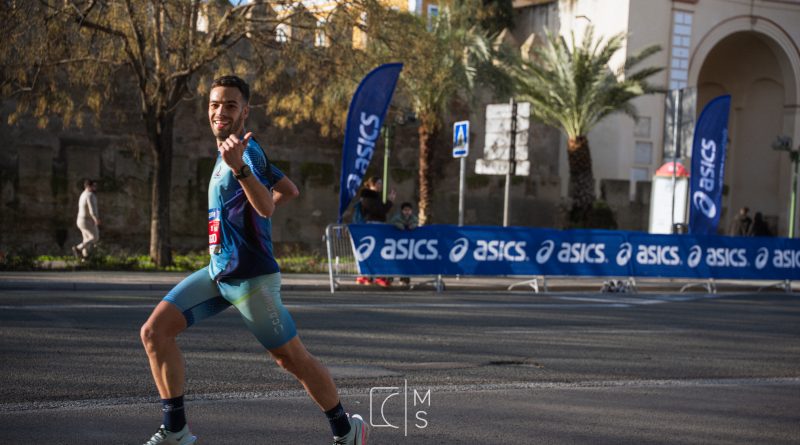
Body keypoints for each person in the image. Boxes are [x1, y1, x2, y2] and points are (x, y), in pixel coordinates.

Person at [139, 75, 367, 445]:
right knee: (154, 332)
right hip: (218, 272)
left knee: (291, 359)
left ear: (245, 111)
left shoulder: (246, 152)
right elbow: (288, 190)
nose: (220, 112)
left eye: (230, 105)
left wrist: (242, 173)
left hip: (250, 279)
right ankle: (175, 430)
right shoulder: (228, 151)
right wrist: (248, 215)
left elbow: (265, 208)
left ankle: (347, 430)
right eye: (214, 104)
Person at [355, 176, 395, 287]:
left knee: (377, 251)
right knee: (371, 251)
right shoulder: (367, 196)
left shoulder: (376, 197)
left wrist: (389, 201)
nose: (380, 185)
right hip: (371, 226)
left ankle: (375, 275)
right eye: (378, 183)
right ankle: (367, 275)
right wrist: (389, 202)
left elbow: (382, 211)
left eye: (381, 183)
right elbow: (379, 210)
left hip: (378, 225)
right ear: (371, 184)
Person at [390, 202, 418, 286]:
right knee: (394, 261)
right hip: (396, 243)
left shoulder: (413, 218)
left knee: (406, 262)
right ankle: (389, 278)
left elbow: (416, 223)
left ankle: (405, 279)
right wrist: (401, 226)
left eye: (409, 210)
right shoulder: (397, 217)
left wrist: (412, 226)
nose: (407, 212)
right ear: (402, 211)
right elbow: (393, 222)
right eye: (405, 210)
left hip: (408, 244)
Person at [72, 179, 100, 260]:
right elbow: (92, 210)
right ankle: (78, 248)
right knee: (95, 237)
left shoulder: (82, 194)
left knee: (86, 239)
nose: (95, 187)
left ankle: (84, 258)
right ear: (88, 186)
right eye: (94, 186)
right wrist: (96, 219)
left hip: (80, 220)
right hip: (87, 220)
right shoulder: (90, 195)